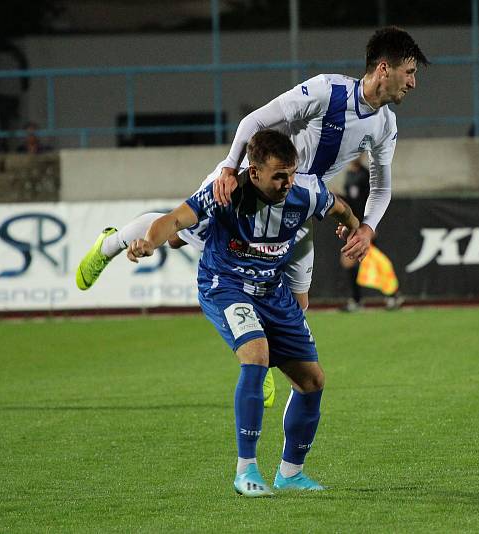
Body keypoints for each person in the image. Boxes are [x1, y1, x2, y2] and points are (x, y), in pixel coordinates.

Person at [75, 26, 426, 404]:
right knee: (176, 234)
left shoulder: (385, 124)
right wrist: (229, 168)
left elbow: (381, 185)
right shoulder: (328, 90)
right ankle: (110, 243)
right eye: (409, 72)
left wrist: (368, 227)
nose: (413, 83)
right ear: (384, 68)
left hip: (296, 204)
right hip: (250, 182)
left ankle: (263, 362)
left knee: (299, 303)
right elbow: (254, 121)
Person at [125, 130, 359, 497]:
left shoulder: (305, 194)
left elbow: (340, 208)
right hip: (225, 285)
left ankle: (291, 473)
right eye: (279, 176)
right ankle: (245, 470)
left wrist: (354, 227)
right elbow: (172, 220)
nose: (287, 183)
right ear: (254, 173)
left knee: (312, 381)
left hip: (272, 291)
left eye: (291, 174)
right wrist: (147, 243)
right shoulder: (226, 192)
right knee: (256, 355)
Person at [339, 155, 404, 312]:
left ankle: (391, 295)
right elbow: (352, 202)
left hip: (365, 228)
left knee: (375, 263)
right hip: (355, 226)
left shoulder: (365, 174)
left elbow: (372, 200)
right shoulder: (349, 175)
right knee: (356, 261)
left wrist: (371, 226)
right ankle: (361, 299)